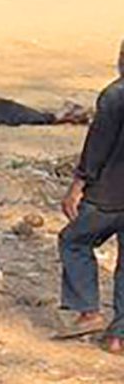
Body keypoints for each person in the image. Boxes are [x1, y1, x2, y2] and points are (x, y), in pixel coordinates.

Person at [59, 40, 124, 350]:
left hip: (109, 195)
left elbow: (97, 148)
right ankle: (118, 337)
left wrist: (77, 185)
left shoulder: (115, 95)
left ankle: (88, 312)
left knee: (73, 240)